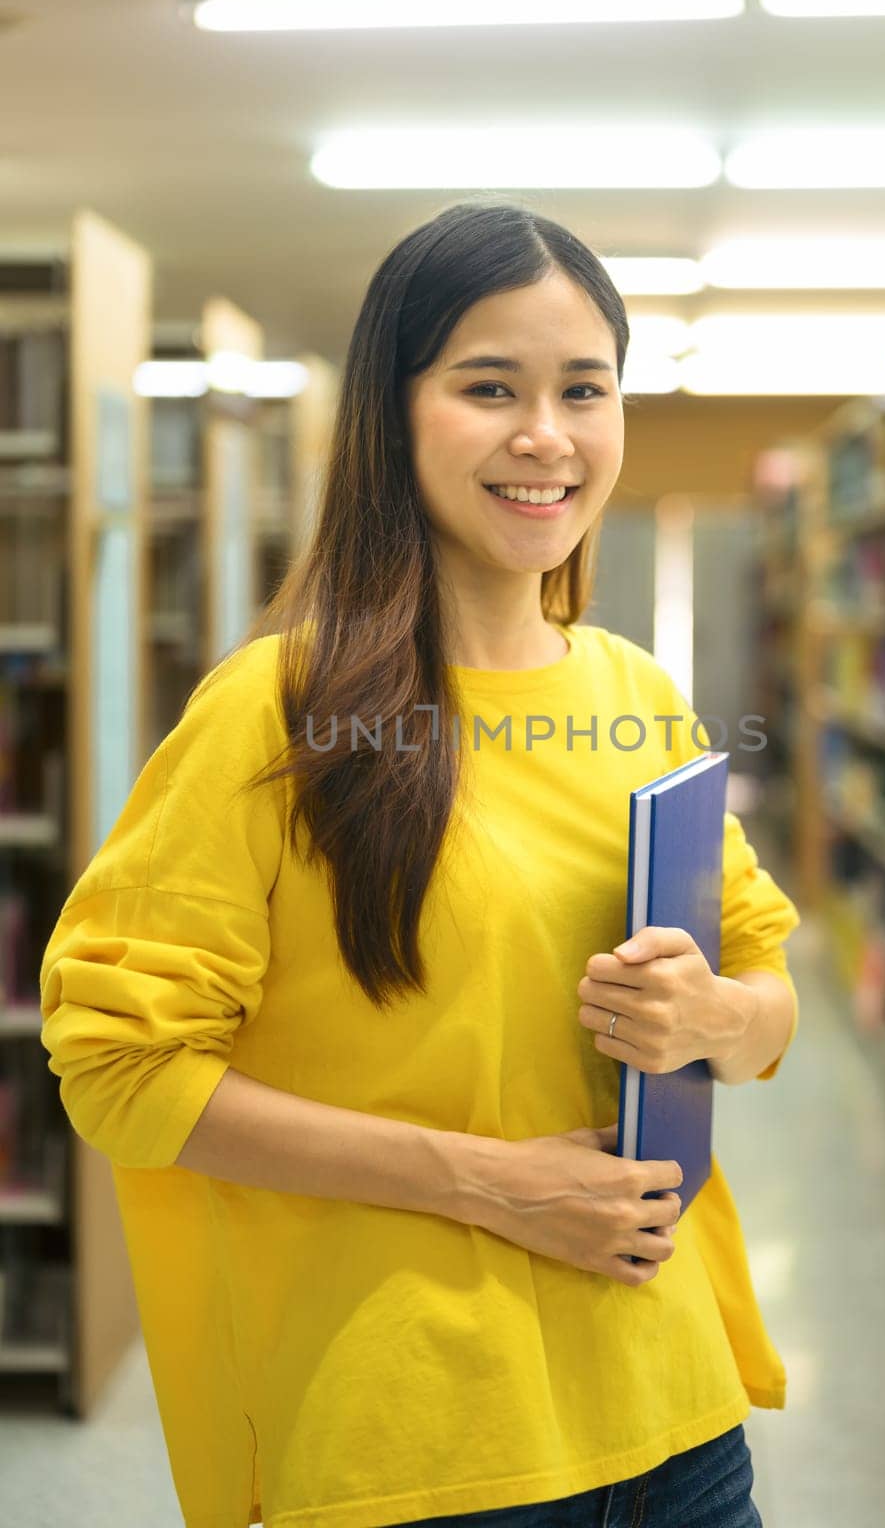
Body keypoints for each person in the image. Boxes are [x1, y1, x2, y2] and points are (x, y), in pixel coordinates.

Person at [39, 200, 802, 1528]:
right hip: (420, 1453)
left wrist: (717, 1015)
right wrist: (484, 1181)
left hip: (677, 1419)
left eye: (583, 389)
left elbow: (762, 995)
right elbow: (117, 1068)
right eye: (487, 386)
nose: (545, 435)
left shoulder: (636, 696)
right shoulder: (273, 714)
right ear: (392, 418)